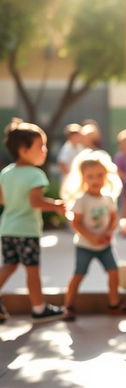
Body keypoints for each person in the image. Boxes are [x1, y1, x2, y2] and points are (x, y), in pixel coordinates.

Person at [0, 119, 65, 324]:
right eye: (41, 146)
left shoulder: (6, 172)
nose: (45, 150)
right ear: (23, 149)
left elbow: (2, 199)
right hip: (26, 231)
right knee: (32, 270)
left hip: (7, 228)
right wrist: (56, 205)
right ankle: (39, 309)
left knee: (9, 265)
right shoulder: (35, 174)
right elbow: (35, 201)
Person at [61, 149, 126, 321]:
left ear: (106, 176)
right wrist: (91, 237)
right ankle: (68, 306)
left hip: (105, 245)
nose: (96, 180)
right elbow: (76, 223)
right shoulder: (82, 200)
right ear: (83, 178)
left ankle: (114, 304)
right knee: (78, 274)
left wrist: (109, 233)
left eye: (99, 175)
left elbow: (113, 219)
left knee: (113, 272)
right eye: (90, 176)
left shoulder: (108, 199)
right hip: (85, 246)